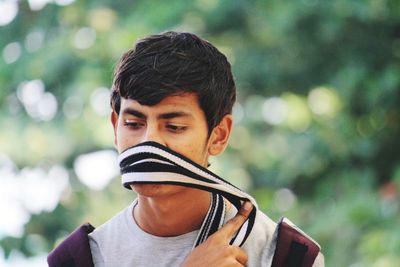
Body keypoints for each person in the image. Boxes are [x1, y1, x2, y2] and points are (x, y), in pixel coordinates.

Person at [48, 31, 324, 266]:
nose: (149, 142)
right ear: (114, 127)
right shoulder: (81, 260)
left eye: (174, 127)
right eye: (133, 123)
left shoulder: (286, 256)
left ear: (219, 135)